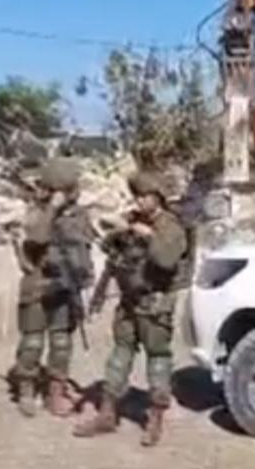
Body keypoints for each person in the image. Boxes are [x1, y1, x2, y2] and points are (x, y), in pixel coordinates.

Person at [74, 171, 188, 447]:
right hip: (129, 302)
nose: (139, 201)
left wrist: (148, 236)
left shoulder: (170, 226)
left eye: (144, 197)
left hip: (155, 304)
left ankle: (155, 419)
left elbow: (166, 260)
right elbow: (110, 250)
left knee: (158, 359)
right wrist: (119, 229)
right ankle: (107, 413)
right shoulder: (133, 220)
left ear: (157, 198)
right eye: (136, 196)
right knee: (119, 356)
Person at [9, 157, 94, 418]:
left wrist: (84, 278)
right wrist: (52, 210)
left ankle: (55, 392)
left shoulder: (79, 215)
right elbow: (36, 238)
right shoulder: (36, 211)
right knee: (32, 342)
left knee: (61, 342)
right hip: (38, 285)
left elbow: (84, 248)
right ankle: (26, 389)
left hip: (65, 288)